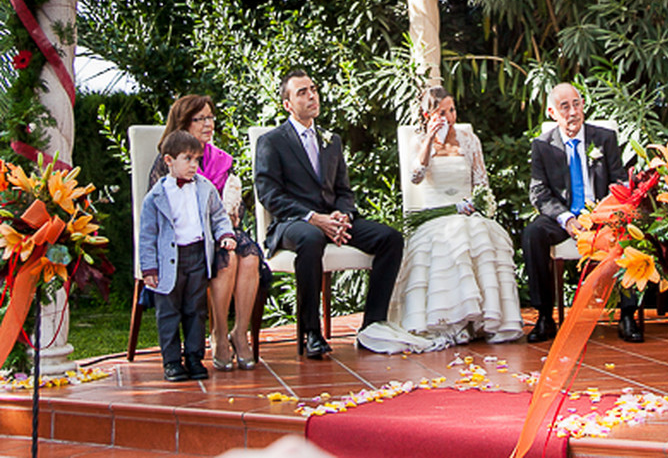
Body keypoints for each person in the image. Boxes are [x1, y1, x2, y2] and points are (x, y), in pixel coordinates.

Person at [357, 87, 523, 353]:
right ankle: (451, 322)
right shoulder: (419, 142)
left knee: (480, 233)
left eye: (452, 110)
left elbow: (481, 182)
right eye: (442, 112)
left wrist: (476, 204)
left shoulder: (470, 140)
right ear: (428, 114)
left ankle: (481, 321)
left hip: (466, 212)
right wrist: (429, 141)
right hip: (434, 215)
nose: (449, 116)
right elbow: (416, 177)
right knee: (452, 236)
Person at [254, 69, 405, 358]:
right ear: (287, 104)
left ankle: (372, 325)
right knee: (311, 239)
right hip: (293, 223)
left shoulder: (331, 140)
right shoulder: (272, 141)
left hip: (333, 219)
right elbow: (269, 195)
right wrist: (314, 217)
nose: (312, 95)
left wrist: (343, 215)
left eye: (313, 89)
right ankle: (311, 332)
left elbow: (343, 190)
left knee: (390, 238)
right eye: (302, 92)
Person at [149, 94, 264, 370]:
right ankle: (220, 335)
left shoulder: (220, 159)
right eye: (200, 119)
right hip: (188, 238)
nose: (208, 124)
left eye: (211, 117)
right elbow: (160, 211)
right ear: (184, 124)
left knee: (250, 258)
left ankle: (240, 332)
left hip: (223, 227)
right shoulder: (169, 160)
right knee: (229, 260)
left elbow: (233, 201)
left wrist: (235, 213)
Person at [521, 83, 641, 343]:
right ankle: (544, 317)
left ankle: (627, 315)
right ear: (552, 112)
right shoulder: (542, 145)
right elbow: (539, 192)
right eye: (565, 106)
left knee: (629, 229)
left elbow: (620, 182)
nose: (573, 111)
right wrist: (566, 219)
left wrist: (604, 212)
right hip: (566, 216)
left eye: (577, 104)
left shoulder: (604, 138)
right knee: (533, 234)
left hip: (602, 214)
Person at [140, 131, 237, 382]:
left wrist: (225, 234)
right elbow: (147, 234)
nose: (194, 165)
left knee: (196, 310)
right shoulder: (156, 196)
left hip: (197, 256)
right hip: (167, 261)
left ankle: (194, 357)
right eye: (188, 159)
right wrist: (149, 268)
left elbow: (218, 216)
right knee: (168, 312)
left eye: (197, 159)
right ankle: (171, 361)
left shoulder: (204, 188)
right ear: (169, 161)